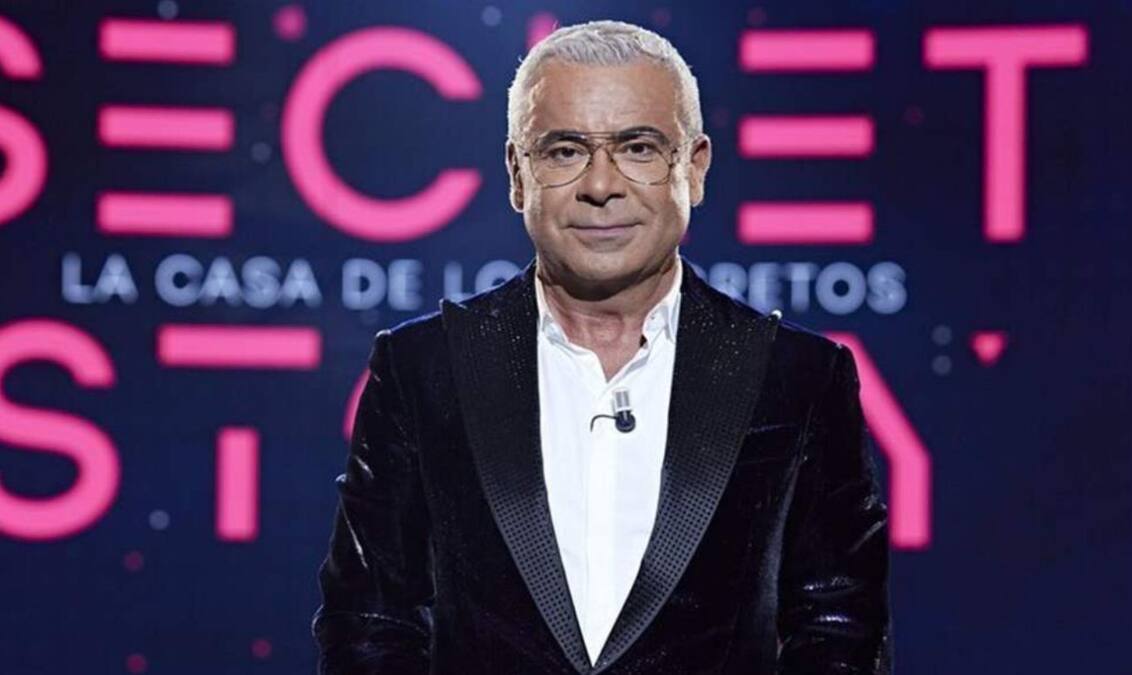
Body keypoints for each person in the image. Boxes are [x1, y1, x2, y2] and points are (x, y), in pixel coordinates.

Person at [312, 19, 892, 674]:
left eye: (638, 148)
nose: (600, 186)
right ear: (517, 174)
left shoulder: (796, 377)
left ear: (694, 168)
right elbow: (369, 626)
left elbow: (840, 630)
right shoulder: (424, 369)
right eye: (564, 151)